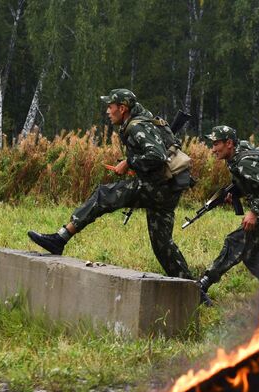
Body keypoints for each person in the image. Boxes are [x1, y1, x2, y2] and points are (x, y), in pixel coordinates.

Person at [27, 88, 197, 285]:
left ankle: (59, 239)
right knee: (162, 245)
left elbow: (157, 156)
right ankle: (194, 290)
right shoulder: (145, 119)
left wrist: (129, 162)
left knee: (103, 195)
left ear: (122, 108)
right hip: (169, 188)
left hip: (156, 188)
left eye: (110, 107)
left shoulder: (136, 127)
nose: (107, 111)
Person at [197, 125, 259, 300]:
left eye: (216, 144)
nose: (213, 149)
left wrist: (254, 212)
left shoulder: (244, 161)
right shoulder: (236, 156)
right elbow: (254, 184)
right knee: (255, 258)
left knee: (235, 241)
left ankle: (203, 283)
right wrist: (237, 192)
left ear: (229, 143)